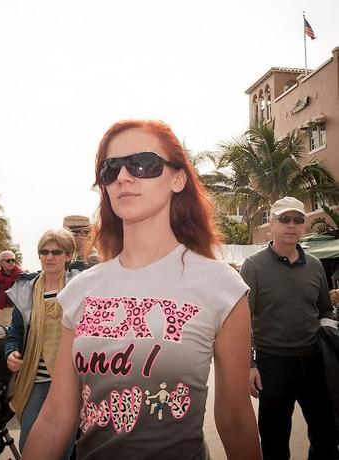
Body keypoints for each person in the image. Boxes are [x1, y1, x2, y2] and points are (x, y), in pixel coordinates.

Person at [23, 119, 262, 460]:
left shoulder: (221, 286)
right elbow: (56, 416)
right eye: (110, 168)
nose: (123, 176)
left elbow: (235, 419)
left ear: (177, 179)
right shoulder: (81, 291)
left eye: (143, 164)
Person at [240, 196, 338, 460]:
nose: (291, 225)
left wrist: (329, 341)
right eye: (284, 219)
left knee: (326, 434)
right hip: (273, 365)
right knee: (274, 438)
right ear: (272, 224)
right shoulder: (253, 267)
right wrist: (249, 364)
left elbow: (325, 310)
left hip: (314, 361)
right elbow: (242, 320)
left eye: (297, 220)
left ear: (304, 226)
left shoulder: (316, 266)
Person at [5, 228, 77, 454]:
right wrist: (11, 353)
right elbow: (14, 333)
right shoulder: (27, 290)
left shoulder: (80, 287)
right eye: (44, 251)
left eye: (56, 252)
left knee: (63, 446)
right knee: (30, 443)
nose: (49, 257)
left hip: (70, 381)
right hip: (34, 379)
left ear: (68, 256)